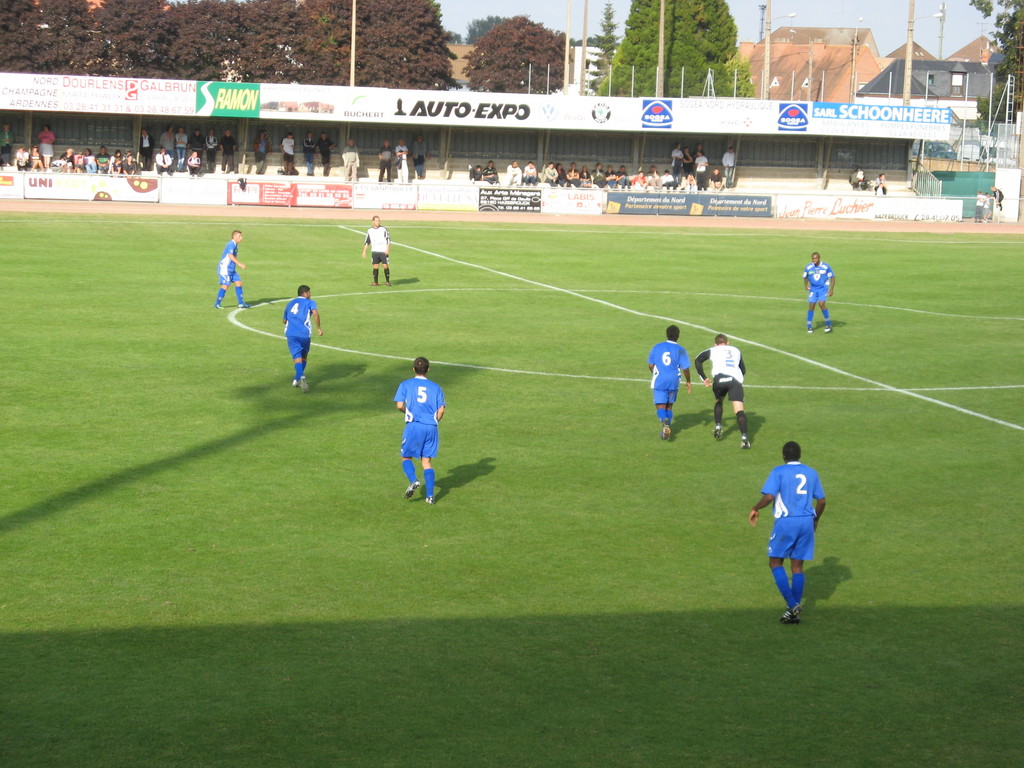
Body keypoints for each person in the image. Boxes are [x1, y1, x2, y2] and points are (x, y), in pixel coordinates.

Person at [748, 441, 826, 624]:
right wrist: (816, 519)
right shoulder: (811, 472)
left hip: (786, 522)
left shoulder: (778, 472)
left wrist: (755, 508)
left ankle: (792, 604)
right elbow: (822, 501)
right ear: (800, 455)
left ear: (783, 456)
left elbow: (769, 496)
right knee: (797, 566)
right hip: (806, 522)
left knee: (775, 562)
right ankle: (794, 613)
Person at [394, 356, 446, 505]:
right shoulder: (436, 388)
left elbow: (399, 405)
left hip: (414, 426)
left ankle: (413, 480)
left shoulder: (405, 384)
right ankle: (430, 497)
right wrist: (433, 421)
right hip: (431, 427)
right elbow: (441, 410)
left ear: (413, 369)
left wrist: (408, 413)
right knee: (426, 461)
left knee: (406, 457)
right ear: (428, 370)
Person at [694, 333, 751, 449]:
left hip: (719, 380)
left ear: (716, 344)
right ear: (728, 343)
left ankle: (718, 426)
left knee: (719, 401)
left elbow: (698, 360)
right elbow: (743, 369)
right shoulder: (736, 350)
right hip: (734, 380)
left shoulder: (713, 350)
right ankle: (744, 438)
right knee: (739, 410)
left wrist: (704, 378)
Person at [648, 324, 693, 440]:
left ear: (666, 335)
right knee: (669, 406)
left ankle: (665, 421)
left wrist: (655, 373)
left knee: (660, 406)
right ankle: (666, 429)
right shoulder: (681, 350)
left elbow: (651, 365)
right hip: (674, 381)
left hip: (660, 380)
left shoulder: (657, 347)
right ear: (678, 336)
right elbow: (686, 368)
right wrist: (688, 381)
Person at [283, 284, 323, 393]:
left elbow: (284, 320)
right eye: (309, 292)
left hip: (291, 334)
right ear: (304, 293)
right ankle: (298, 378)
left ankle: (299, 377)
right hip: (304, 334)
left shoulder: (290, 303)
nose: (310, 294)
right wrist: (319, 328)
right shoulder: (310, 302)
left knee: (297, 358)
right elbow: (315, 314)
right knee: (304, 357)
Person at [214, 230, 249, 309]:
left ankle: (241, 303)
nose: (241, 238)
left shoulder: (235, 245)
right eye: (239, 236)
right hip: (225, 269)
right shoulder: (231, 244)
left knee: (239, 283)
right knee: (225, 285)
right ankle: (217, 304)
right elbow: (230, 255)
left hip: (231, 270)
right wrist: (239, 264)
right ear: (234, 237)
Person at [803, 251, 834, 333]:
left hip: (823, 288)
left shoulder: (825, 267)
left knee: (821, 304)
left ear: (819, 258)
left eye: (816, 258)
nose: (814, 260)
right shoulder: (809, 267)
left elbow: (833, 277)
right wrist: (806, 285)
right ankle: (809, 326)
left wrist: (831, 289)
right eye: (813, 258)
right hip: (813, 288)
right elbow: (805, 276)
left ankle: (828, 323)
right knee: (811, 305)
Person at [361, 215, 391, 286]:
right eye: (376, 221)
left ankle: (387, 281)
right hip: (374, 251)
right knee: (375, 266)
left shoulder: (383, 229)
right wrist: (364, 251)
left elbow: (388, 240)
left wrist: (387, 249)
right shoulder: (370, 230)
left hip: (383, 250)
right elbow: (367, 241)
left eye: (379, 221)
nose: (378, 222)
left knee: (385, 265)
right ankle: (376, 282)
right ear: (373, 221)